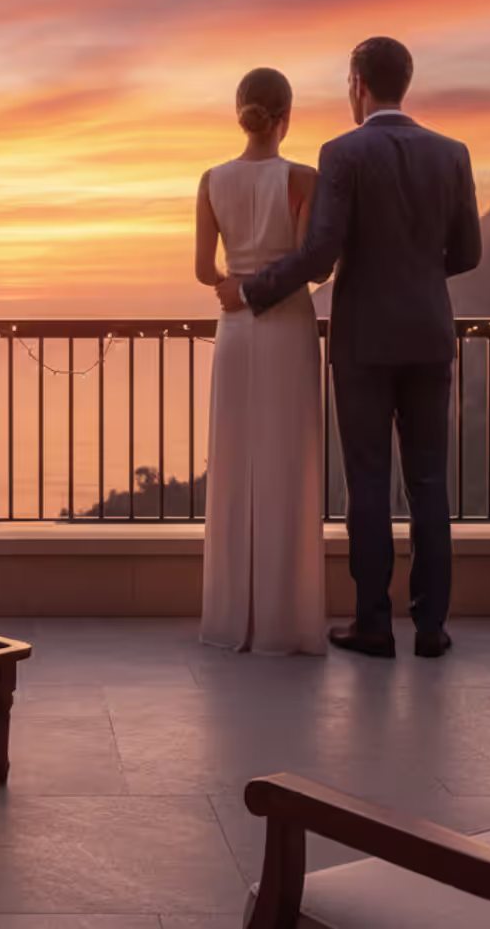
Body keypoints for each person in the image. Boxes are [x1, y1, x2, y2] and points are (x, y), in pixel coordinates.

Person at [217, 38, 481, 659]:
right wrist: (416, 273)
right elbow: (467, 253)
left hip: (363, 340)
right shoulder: (452, 154)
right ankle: (432, 628)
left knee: (367, 481)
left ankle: (373, 625)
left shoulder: (342, 152)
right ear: (404, 83)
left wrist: (251, 290)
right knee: (430, 483)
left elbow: (320, 255)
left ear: (358, 83)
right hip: (428, 334)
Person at [195, 67, 326, 655]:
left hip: (235, 331)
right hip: (288, 326)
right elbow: (313, 266)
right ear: (287, 116)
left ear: (240, 112)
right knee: (286, 463)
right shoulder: (303, 179)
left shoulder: (212, 180)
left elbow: (203, 268)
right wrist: (262, 284)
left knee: (234, 460)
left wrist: (233, 284)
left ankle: (229, 618)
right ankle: (283, 620)